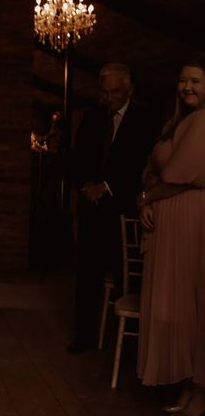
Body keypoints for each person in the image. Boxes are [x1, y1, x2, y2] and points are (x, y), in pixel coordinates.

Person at [68, 63, 158, 352]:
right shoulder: (92, 118)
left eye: (116, 91)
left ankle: (127, 346)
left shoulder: (146, 119)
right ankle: (84, 337)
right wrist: (85, 186)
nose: (109, 98)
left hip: (123, 209)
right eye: (105, 92)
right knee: (87, 275)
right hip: (91, 209)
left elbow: (142, 164)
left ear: (130, 89)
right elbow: (77, 158)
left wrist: (106, 187)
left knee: (124, 277)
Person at [137, 56, 205, 416]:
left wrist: (149, 195)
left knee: (193, 308)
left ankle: (200, 393)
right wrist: (143, 196)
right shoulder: (174, 122)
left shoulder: (204, 121)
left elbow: (179, 173)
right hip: (169, 227)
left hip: (194, 224)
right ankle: (185, 383)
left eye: (196, 81)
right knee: (177, 309)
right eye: (183, 80)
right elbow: (150, 170)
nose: (187, 87)